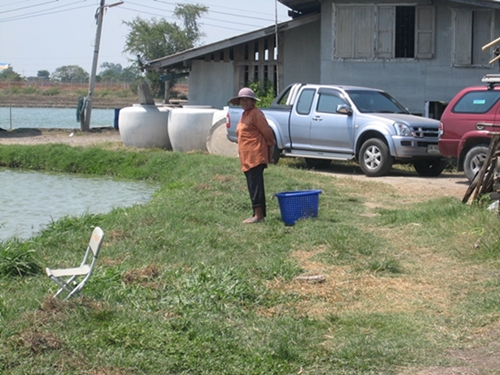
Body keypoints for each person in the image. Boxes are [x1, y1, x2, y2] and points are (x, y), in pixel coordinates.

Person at [229, 87, 276, 224]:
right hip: (247, 157)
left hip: (255, 155)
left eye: (246, 99)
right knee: (252, 184)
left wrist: (270, 148)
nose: (244, 102)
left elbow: (267, 132)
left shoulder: (256, 114)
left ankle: (258, 216)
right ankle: (257, 213)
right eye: (242, 100)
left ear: (252, 101)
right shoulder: (245, 114)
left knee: (255, 185)